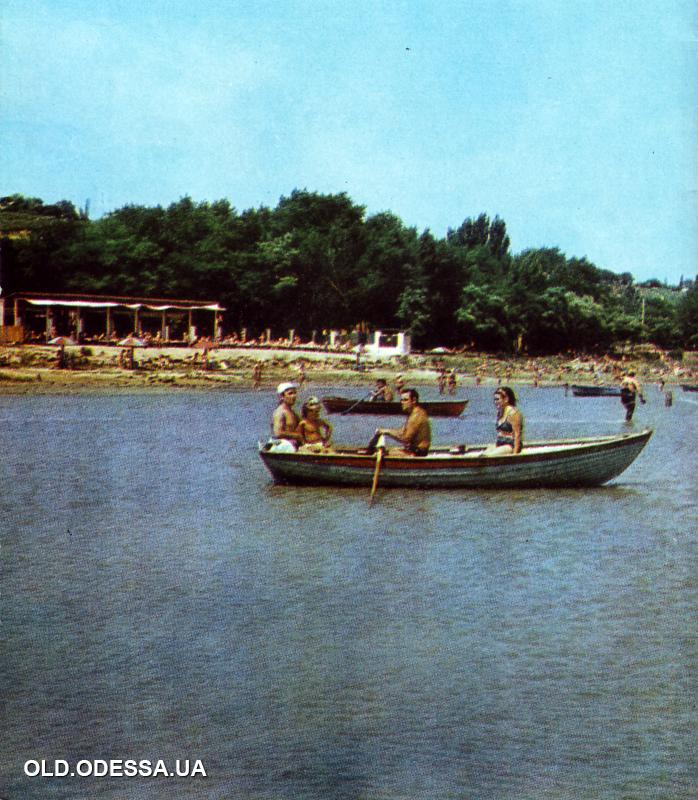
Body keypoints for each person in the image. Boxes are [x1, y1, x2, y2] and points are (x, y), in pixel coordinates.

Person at [376, 388, 431, 456]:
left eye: (405, 400)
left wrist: (387, 432)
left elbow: (405, 439)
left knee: (383, 453)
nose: (402, 402)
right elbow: (402, 432)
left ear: (414, 400)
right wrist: (385, 431)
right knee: (386, 451)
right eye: (401, 400)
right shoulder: (415, 413)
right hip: (414, 450)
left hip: (418, 452)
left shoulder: (416, 416)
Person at [487, 386, 524, 454]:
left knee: (491, 455)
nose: (495, 402)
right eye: (494, 400)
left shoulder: (514, 414)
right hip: (500, 443)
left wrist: (515, 454)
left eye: (497, 399)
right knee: (484, 453)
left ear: (506, 399)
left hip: (510, 445)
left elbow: (517, 435)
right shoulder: (500, 413)